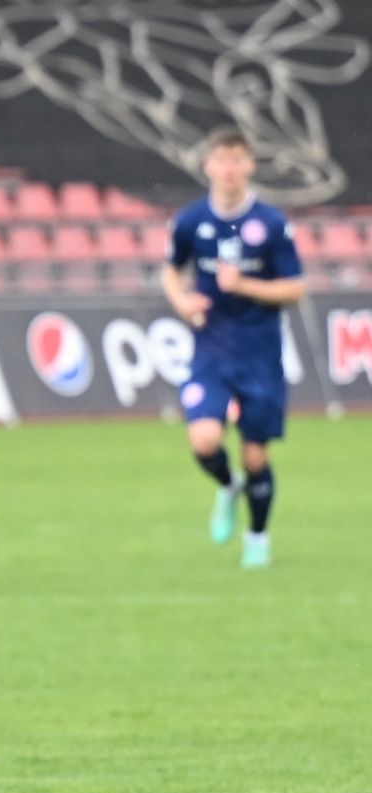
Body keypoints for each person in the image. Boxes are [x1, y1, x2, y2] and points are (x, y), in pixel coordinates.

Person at [161, 125, 305, 569]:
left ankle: (257, 536)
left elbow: (295, 288)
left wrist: (244, 285)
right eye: (221, 160)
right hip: (211, 349)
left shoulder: (271, 224)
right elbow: (170, 270)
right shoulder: (190, 221)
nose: (229, 168)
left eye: (237, 159)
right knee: (204, 440)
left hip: (260, 352)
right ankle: (228, 486)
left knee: (255, 455)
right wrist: (182, 302)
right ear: (208, 165)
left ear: (249, 165)